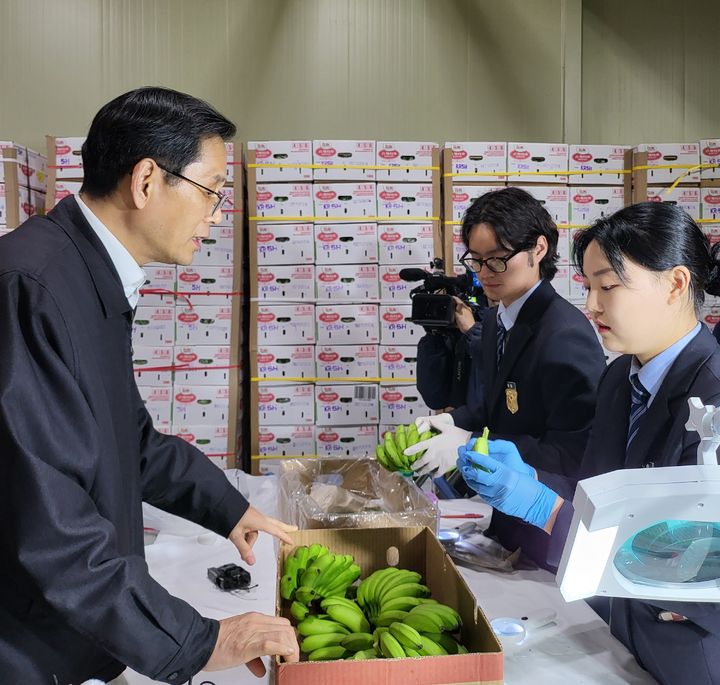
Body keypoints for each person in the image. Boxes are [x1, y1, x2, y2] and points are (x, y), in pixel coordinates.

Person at [0, 87, 299, 684]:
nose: (217, 214)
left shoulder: (87, 276)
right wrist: (196, 641)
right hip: (30, 643)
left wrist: (226, 506)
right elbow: (51, 525)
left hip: (78, 632)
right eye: (212, 190)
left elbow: (126, 437)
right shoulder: (31, 286)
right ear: (146, 181)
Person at [457, 202, 720, 685]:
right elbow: (598, 490)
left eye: (609, 286)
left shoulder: (713, 395)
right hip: (613, 631)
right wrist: (532, 477)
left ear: (676, 284)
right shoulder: (621, 378)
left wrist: (543, 507)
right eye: (589, 287)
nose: (593, 306)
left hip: (687, 657)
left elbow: (680, 563)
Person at [407, 187, 606, 479]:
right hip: (502, 498)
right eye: (476, 260)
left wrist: (472, 443)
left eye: (498, 258)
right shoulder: (493, 322)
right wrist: (450, 421)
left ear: (538, 249)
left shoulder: (564, 335)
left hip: (548, 506)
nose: (485, 272)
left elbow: (573, 451)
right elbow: (494, 408)